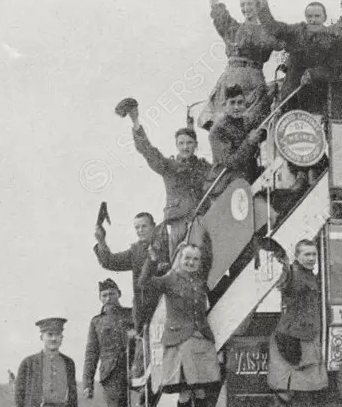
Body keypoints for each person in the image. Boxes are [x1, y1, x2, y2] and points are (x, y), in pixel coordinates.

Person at [139, 243, 219, 407]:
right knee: (184, 392)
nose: (191, 262)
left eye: (195, 259)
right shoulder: (169, 279)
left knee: (200, 391)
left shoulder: (200, 281)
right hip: (179, 341)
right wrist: (151, 261)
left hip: (201, 340)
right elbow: (144, 284)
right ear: (179, 259)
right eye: (187, 258)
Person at [255, 239, 328, 407]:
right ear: (297, 256)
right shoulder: (293, 274)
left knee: (300, 390)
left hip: (306, 339)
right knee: (285, 392)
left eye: (314, 254)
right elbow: (285, 282)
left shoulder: (310, 275)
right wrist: (285, 263)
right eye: (306, 254)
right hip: (291, 339)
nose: (311, 258)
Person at [203, 0, 280, 131]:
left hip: (253, 82)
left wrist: (264, 2)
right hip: (230, 79)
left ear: (258, 5)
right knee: (223, 127)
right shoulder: (232, 29)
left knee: (251, 128)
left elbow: (277, 40)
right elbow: (215, 4)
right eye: (243, 5)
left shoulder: (267, 30)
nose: (246, 8)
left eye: (250, 4)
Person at [125, 105, 213, 261]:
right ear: (177, 145)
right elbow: (148, 151)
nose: (185, 147)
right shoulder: (169, 166)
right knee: (177, 262)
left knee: (201, 258)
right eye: (181, 143)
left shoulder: (204, 167)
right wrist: (135, 121)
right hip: (178, 223)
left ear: (196, 145)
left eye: (189, 143)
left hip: (201, 219)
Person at [93, 211, 165, 330]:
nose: (140, 230)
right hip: (143, 311)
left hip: (165, 304)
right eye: (137, 227)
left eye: (144, 226)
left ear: (153, 226)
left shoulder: (166, 245)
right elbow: (109, 262)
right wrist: (101, 241)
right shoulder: (135, 251)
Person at [83, 279, 135, 407]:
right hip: (111, 375)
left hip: (134, 369)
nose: (108, 298)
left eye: (112, 294)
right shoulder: (96, 322)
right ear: (100, 298)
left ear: (119, 294)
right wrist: (87, 384)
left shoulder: (132, 314)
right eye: (104, 295)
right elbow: (91, 353)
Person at [271, 1, 334, 113]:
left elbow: (335, 68)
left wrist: (315, 74)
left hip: (317, 98)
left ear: (325, 17)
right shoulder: (299, 33)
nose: (313, 20)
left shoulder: (332, 39)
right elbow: (276, 28)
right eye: (309, 16)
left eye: (317, 16)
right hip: (291, 96)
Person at [208, 84, 265, 185]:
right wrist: (249, 142)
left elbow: (260, 127)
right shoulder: (217, 130)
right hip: (227, 183)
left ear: (244, 104)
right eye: (232, 103)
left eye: (240, 103)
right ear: (225, 105)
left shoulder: (245, 122)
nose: (236, 107)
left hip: (248, 177)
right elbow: (229, 162)